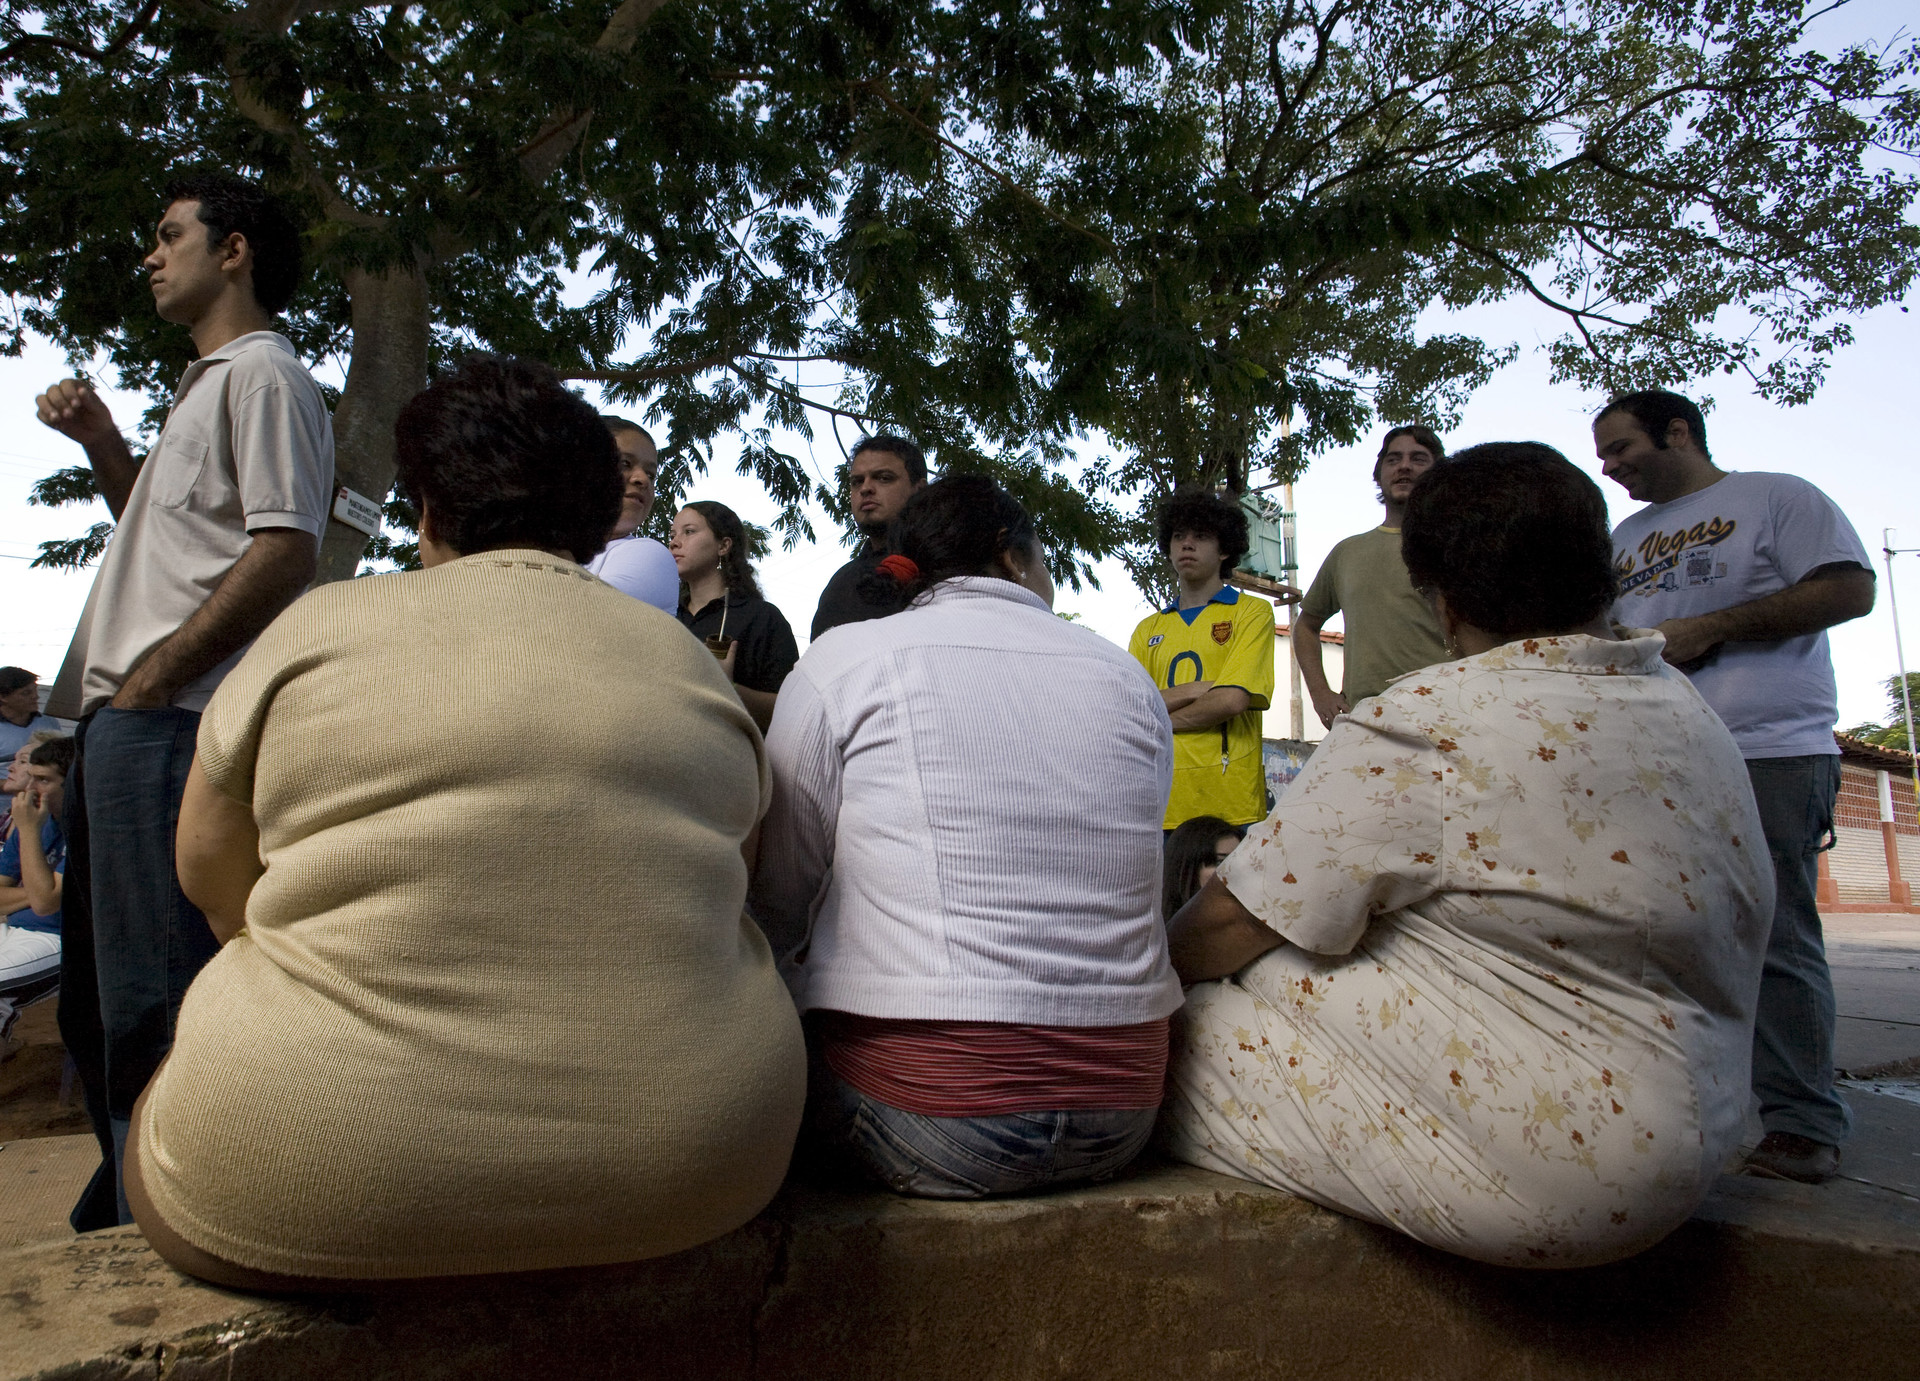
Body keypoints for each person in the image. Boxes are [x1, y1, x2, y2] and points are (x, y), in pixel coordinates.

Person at [124, 355, 806, 1289]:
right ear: (591, 515)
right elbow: (739, 888)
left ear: (427, 509)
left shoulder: (317, 625)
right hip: (700, 1165)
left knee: (168, 1101)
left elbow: (208, 872)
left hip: (303, 1169)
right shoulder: (692, 667)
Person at [1163, 443, 1773, 1269]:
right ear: (1603, 570)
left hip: (1572, 1176)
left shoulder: (1433, 715)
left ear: (1443, 606)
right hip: (1707, 1124)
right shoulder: (1685, 705)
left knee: (1176, 1017)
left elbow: (1229, 922)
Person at [35, 171, 335, 1230]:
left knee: (158, 995)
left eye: (170, 236)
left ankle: (177, 1220)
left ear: (235, 249)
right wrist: (106, 444)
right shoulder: (201, 386)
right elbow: (160, 540)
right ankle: (128, 1200)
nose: (152, 256)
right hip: (121, 726)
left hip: (167, 723)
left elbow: (287, 546)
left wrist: (160, 679)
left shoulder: (265, 377)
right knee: (98, 1003)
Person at [753, 475, 1183, 1199]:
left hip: (928, 1117)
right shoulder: (1124, 674)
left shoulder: (845, 658)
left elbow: (780, 899)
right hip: (1124, 1112)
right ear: (1014, 557)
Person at [1596, 389, 1876, 1185]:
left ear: (1678, 431)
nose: (1610, 467)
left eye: (1621, 449)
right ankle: (1686, 1099)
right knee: (1664, 926)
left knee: (1775, 929)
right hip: (1658, 754)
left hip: (1770, 751)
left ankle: (1802, 1120)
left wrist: (1712, 625)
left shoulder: (1777, 497)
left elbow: (1851, 590)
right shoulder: (1626, 537)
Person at [1128, 490, 1277, 831]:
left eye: (1201, 536)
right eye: (1179, 536)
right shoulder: (1147, 629)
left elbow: (1231, 699)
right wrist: (1196, 689)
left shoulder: (1252, 613)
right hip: (1161, 801)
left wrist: (1159, 717)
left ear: (1225, 549)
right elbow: (1130, 708)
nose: (1187, 544)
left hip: (1230, 802)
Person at [1295, 426, 1451, 728]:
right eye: (1393, 459)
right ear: (1379, 474)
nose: (1404, 466)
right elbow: (1306, 626)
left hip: (1445, 716)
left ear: (1439, 474)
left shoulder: (1460, 547)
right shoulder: (1347, 552)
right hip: (1364, 720)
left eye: (1418, 458)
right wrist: (1320, 694)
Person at [671, 500, 800, 733]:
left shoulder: (762, 618)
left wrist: (728, 687)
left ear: (724, 546)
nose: (674, 542)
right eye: (672, 534)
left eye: (689, 532)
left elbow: (793, 710)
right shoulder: (666, 614)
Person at [810, 435, 929, 639]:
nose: (865, 488)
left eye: (884, 478)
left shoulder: (945, 569)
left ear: (919, 490)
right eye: (857, 482)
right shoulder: (840, 584)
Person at [0, 737, 74, 1026]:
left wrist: (29, 829)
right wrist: (39, 889)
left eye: (43, 780)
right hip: (12, 927)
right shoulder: (37, 822)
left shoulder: (88, 828)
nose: (31, 789)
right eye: (30, 777)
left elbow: (45, 905)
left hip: (58, 939)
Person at [585, 415, 678, 613]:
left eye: (651, 474)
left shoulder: (650, 555)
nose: (643, 479)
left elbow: (578, 613)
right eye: (625, 463)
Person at [1161, 816, 1244, 921]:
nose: (1234, 871)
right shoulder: (1155, 931)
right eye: (1220, 862)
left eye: (1238, 862)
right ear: (1186, 870)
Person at [0, 667, 58, 758]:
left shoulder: (48, 722)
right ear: (3, 697)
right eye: (26, 693)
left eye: (36, 690)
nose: (35, 696)